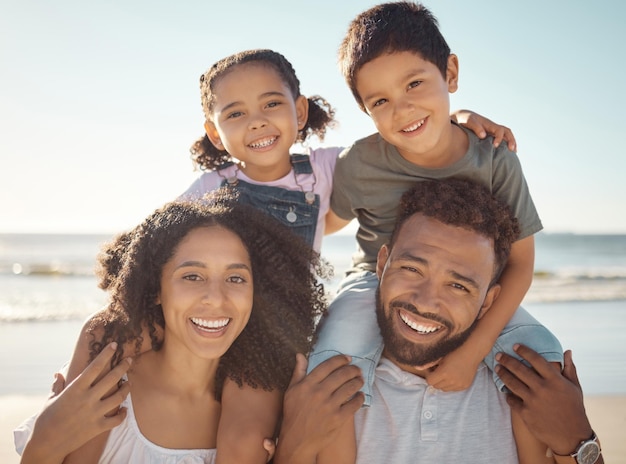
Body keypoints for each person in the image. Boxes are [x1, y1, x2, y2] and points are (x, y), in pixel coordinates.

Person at [44, 47, 517, 463]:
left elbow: (401, 141)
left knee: (247, 440)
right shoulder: (211, 187)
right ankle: (67, 429)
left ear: (299, 109)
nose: (257, 121)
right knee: (102, 332)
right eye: (235, 114)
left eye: (272, 104)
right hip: (209, 306)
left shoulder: (325, 172)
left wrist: (458, 118)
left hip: (274, 331)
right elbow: (154, 247)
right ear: (214, 131)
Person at [308, 1, 563, 405]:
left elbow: (520, 265)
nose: (402, 109)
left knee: (542, 357)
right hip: (373, 282)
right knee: (333, 365)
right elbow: (329, 221)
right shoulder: (359, 164)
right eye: (380, 102)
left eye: (414, 85)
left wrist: (472, 352)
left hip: (470, 289)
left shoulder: (495, 159)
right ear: (367, 110)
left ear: (450, 73)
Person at [275, 178, 603, 464]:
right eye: (412, 269)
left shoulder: (526, 389)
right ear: (382, 263)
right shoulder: (319, 393)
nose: (425, 301)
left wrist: (578, 441)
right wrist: (290, 451)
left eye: (458, 286)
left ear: (489, 301)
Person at [16, 194, 329, 463]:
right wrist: (43, 442)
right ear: (156, 288)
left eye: (236, 279)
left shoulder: (266, 415)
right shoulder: (107, 391)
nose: (216, 299)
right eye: (192, 276)